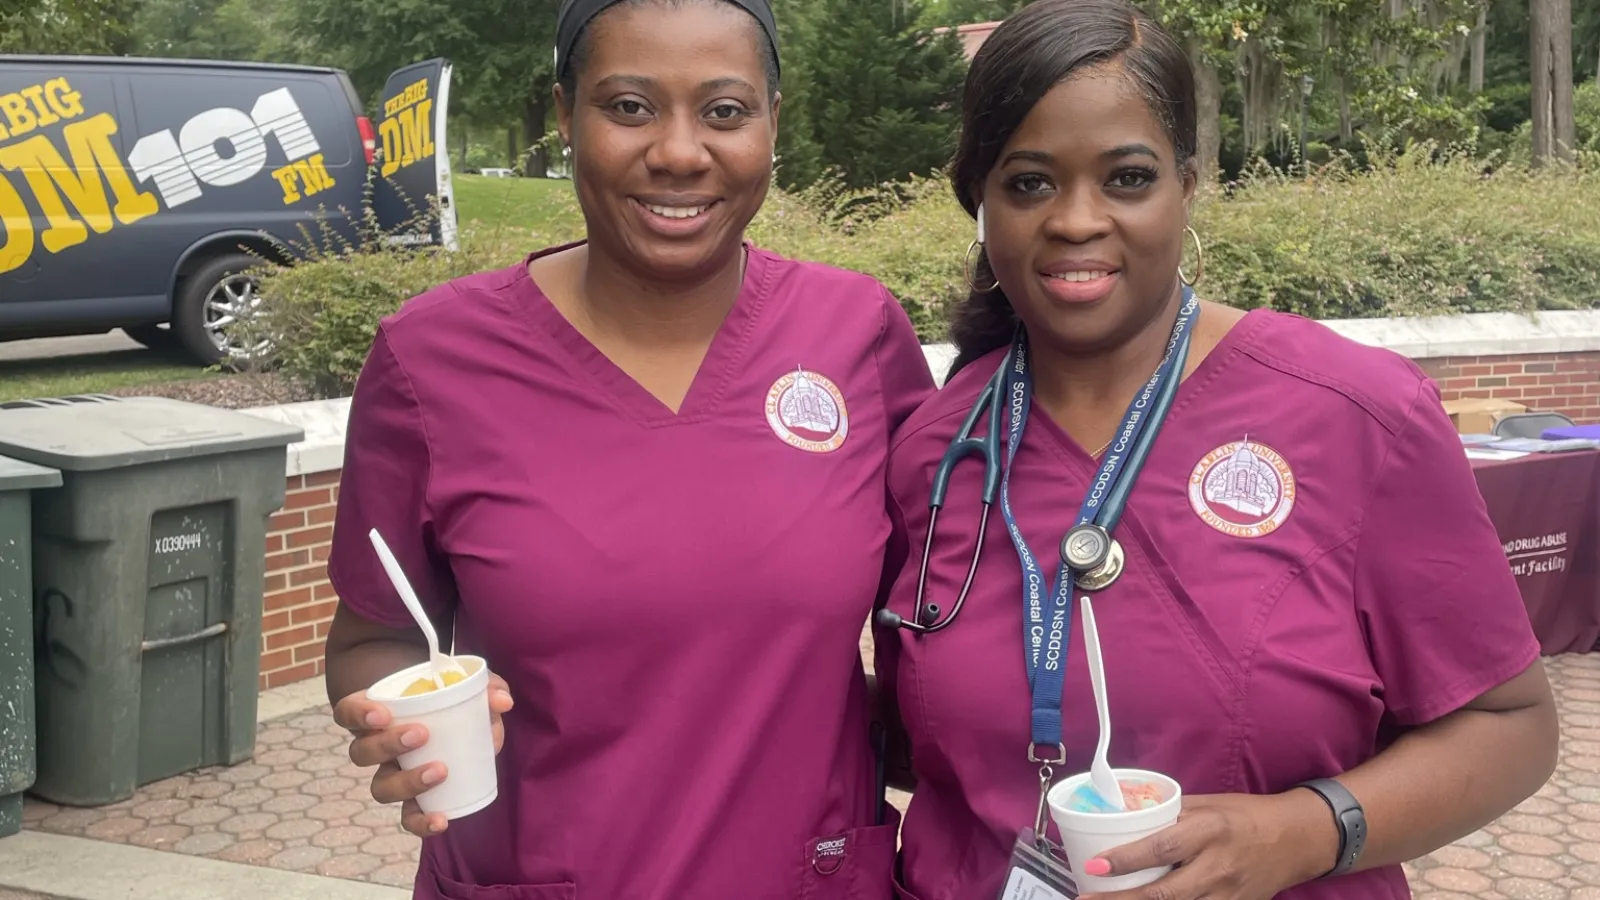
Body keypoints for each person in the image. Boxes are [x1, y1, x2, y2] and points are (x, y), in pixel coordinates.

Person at [873, 2, 1560, 899]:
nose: (1076, 220)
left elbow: (1510, 726)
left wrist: (1308, 830)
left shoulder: (1356, 414)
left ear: (1188, 186)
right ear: (980, 201)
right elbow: (903, 740)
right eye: (1030, 182)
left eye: (1127, 177)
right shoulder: (938, 448)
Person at [320, 0, 934, 897]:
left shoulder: (856, 334)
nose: (681, 152)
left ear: (773, 121)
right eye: (630, 106)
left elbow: (947, 620)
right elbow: (374, 634)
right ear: (566, 115)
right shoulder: (433, 362)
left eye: (725, 110)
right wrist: (398, 724)